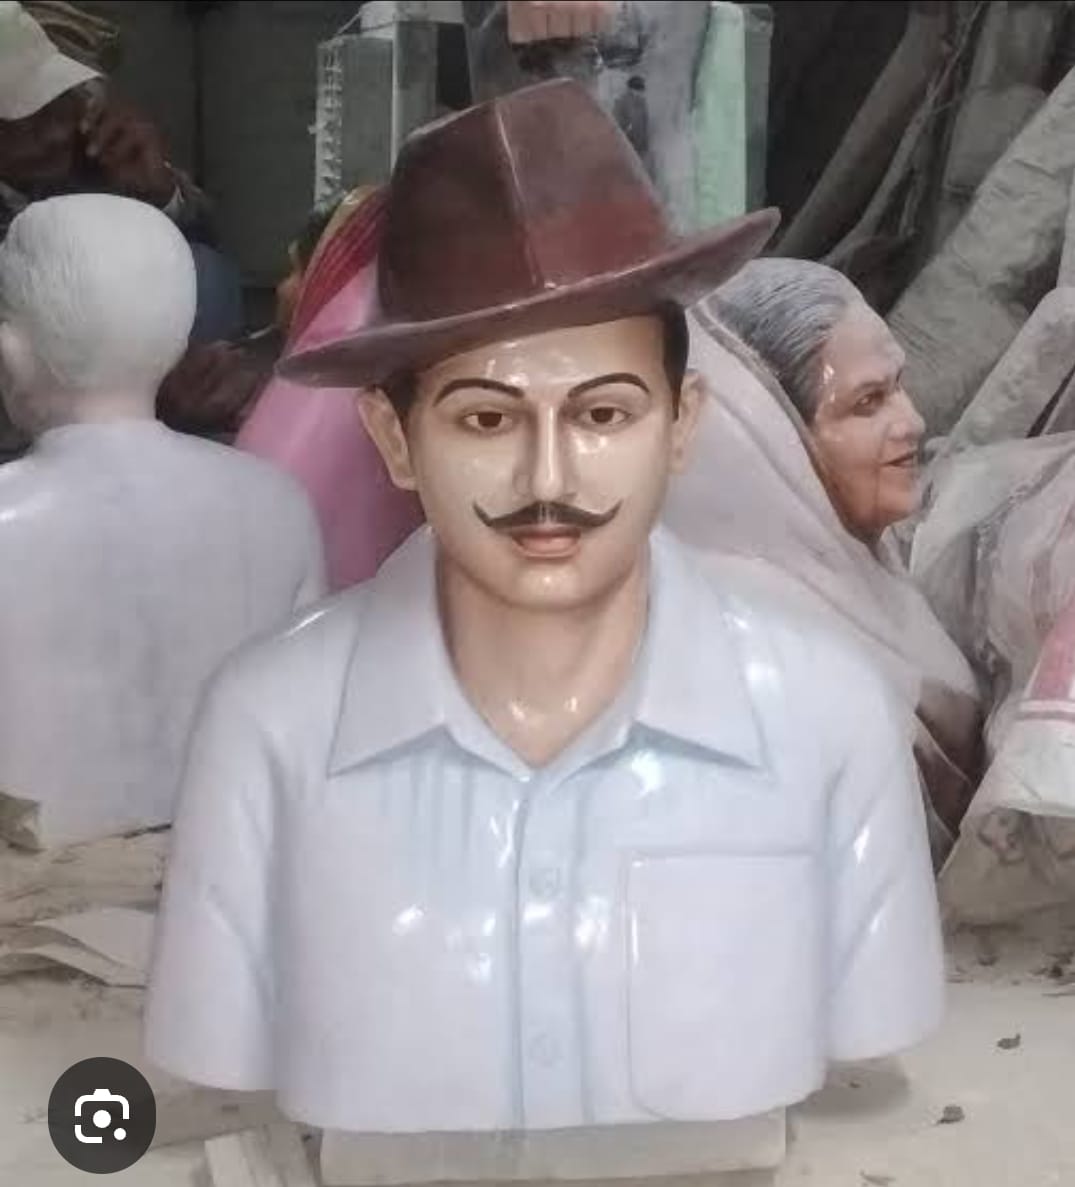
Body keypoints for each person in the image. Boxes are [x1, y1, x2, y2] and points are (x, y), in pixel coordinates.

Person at [145, 81, 942, 1150]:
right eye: (485, 418)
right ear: (393, 439)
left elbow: (874, 1014)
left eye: (604, 412)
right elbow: (215, 1033)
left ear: (681, 425)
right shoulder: (266, 729)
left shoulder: (829, 718)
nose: (549, 477)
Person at [0, 193, 325, 848]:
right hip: (228, 853)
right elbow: (309, 727)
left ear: (12, 350)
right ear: (178, 339)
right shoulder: (279, 503)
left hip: (33, 881)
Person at [664, 259, 982, 858]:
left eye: (898, 386)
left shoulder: (857, 572)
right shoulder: (774, 682)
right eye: (868, 403)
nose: (913, 421)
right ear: (775, 441)